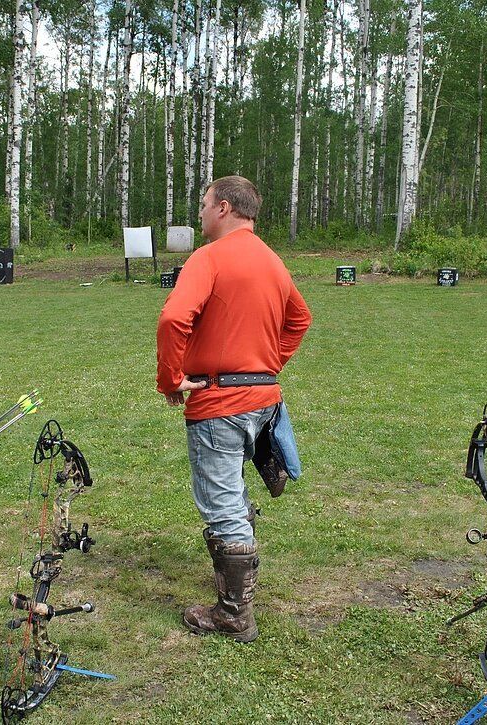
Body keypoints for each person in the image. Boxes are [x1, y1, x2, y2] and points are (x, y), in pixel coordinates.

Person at [156, 175, 312, 642]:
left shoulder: (209, 257)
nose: (200, 213)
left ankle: (233, 614)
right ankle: (234, 588)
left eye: (203, 204)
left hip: (220, 401)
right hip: (263, 401)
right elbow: (300, 319)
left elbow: (172, 317)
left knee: (221, 503)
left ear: (223, 207)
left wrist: (170, 378)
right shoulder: (272, 260)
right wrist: (266, 366)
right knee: (233, 496)